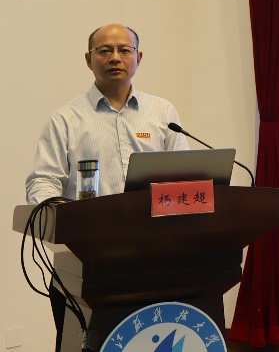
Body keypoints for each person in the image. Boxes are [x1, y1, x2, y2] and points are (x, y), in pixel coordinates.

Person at [25, 24, 188, 351]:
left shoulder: (163, 113)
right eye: (104, 50)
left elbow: (183, 177)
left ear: (139, 57)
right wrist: (59, 212)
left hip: (153, 256)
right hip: (84, 259)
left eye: (125, 50)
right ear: (89, 59)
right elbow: (42, 181)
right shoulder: (66, 118)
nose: (115, 57)